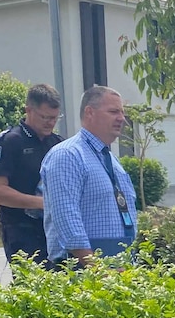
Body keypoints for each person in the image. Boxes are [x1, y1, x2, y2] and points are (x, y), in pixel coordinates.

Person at [41, 85, 137, 267]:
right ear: (89, 113)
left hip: (118, 266)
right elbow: (67, 219)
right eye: (113, 111)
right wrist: (97, 270)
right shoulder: (67, 155)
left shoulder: (111, 160)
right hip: (84, 270)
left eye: (122, 112)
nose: (122, 119)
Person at [0, 83, 63, 267]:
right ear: (28, 110)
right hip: (22, 230)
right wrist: (43, 203)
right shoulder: (11, 142)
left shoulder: (58, 143)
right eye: (45, 117)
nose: (50, 123)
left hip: (53, 231)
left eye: (55, 118)